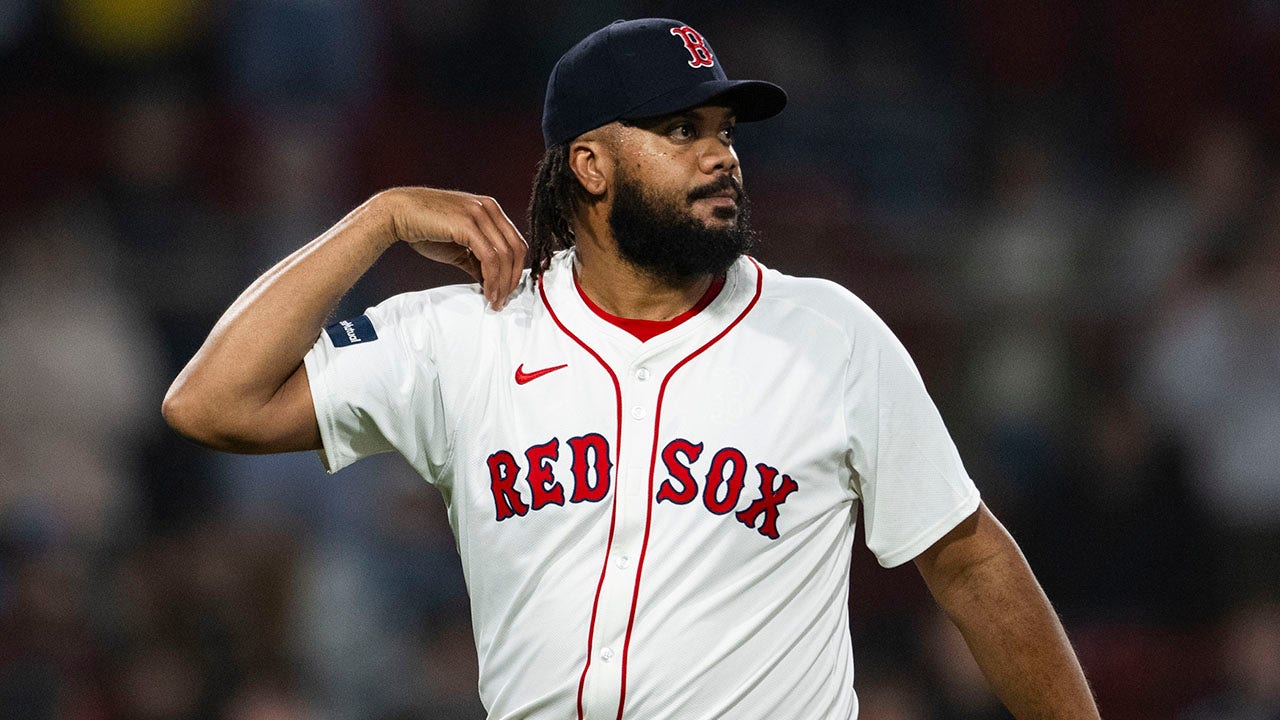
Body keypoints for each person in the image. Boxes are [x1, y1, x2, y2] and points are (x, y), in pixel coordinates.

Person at [163, 18, 1100, 720]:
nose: (721, 155)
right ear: (591, 165)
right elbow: (212, 403)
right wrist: (378, 218)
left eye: (725, 130)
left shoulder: (829, 334)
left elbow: (971, 560)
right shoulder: (472, 335)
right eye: (681, 129)